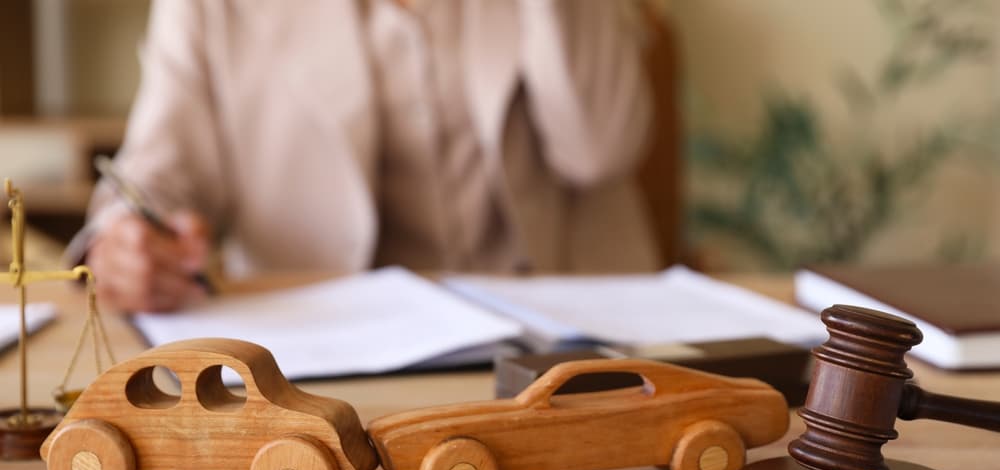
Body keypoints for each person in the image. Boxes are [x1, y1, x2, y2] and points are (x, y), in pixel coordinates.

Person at [80, 0, 657, 312]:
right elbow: (155, 174)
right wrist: (128, 239)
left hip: (566, 329)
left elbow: (600, 152)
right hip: (331, 349)